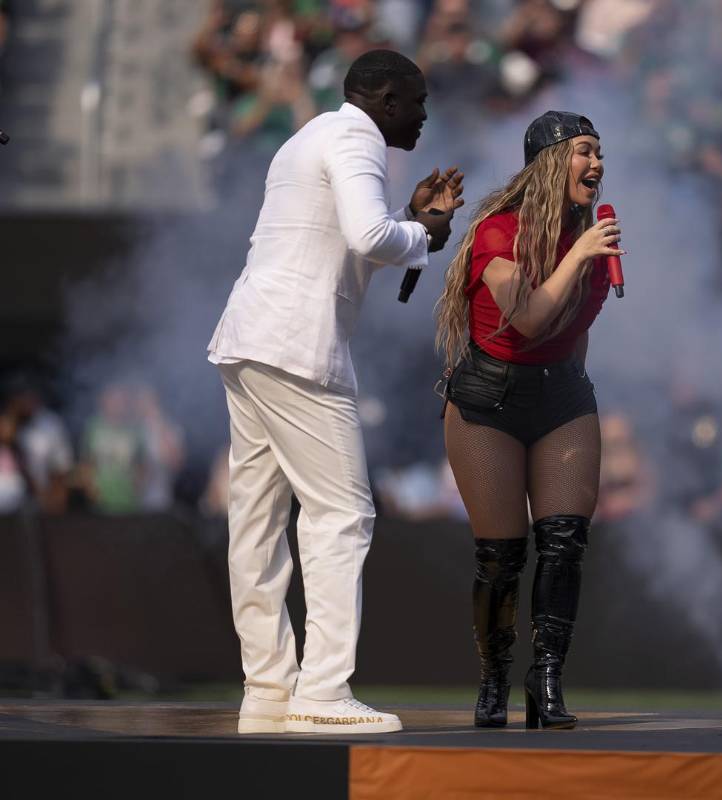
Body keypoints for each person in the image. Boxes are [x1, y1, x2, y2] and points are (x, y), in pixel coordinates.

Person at [207, 49, 463, 735]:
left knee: (257, 521)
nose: (423, 114)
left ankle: (268, 690)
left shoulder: (310, 134)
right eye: (416, 101)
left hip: (250, 338)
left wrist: (408, 217)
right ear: (385, 100)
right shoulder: (357, 138)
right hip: (297, 347)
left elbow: (337, 236)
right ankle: (322, 690)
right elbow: (369, 235)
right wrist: (425, 230)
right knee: (342, 514)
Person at [433, 111, 621, 730]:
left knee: (565, 544)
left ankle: (546, 682)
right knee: (501, 556)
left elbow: (574, 331)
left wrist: (571, 390)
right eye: (583, 151)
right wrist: (581, 255)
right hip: (488, 399)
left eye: (599, 152)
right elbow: (532, 319)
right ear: (549, 162)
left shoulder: (586, 237)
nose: (596, 163)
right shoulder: (499, 231)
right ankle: (494, 680)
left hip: (560, 394)